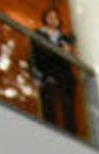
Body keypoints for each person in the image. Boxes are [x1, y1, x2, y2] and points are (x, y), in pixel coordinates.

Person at [29, 7, 77, 135]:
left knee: (67, 106)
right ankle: (51, 130)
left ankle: (70, 133)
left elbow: (67, 55)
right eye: (50, 16)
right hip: (46, 73)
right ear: (45, 19)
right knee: (49, 104)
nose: (53, 19)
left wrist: (64, 50)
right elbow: (38, 54)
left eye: (55, 17)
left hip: (63, 75)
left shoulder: (64, 38)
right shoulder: (38, 34)